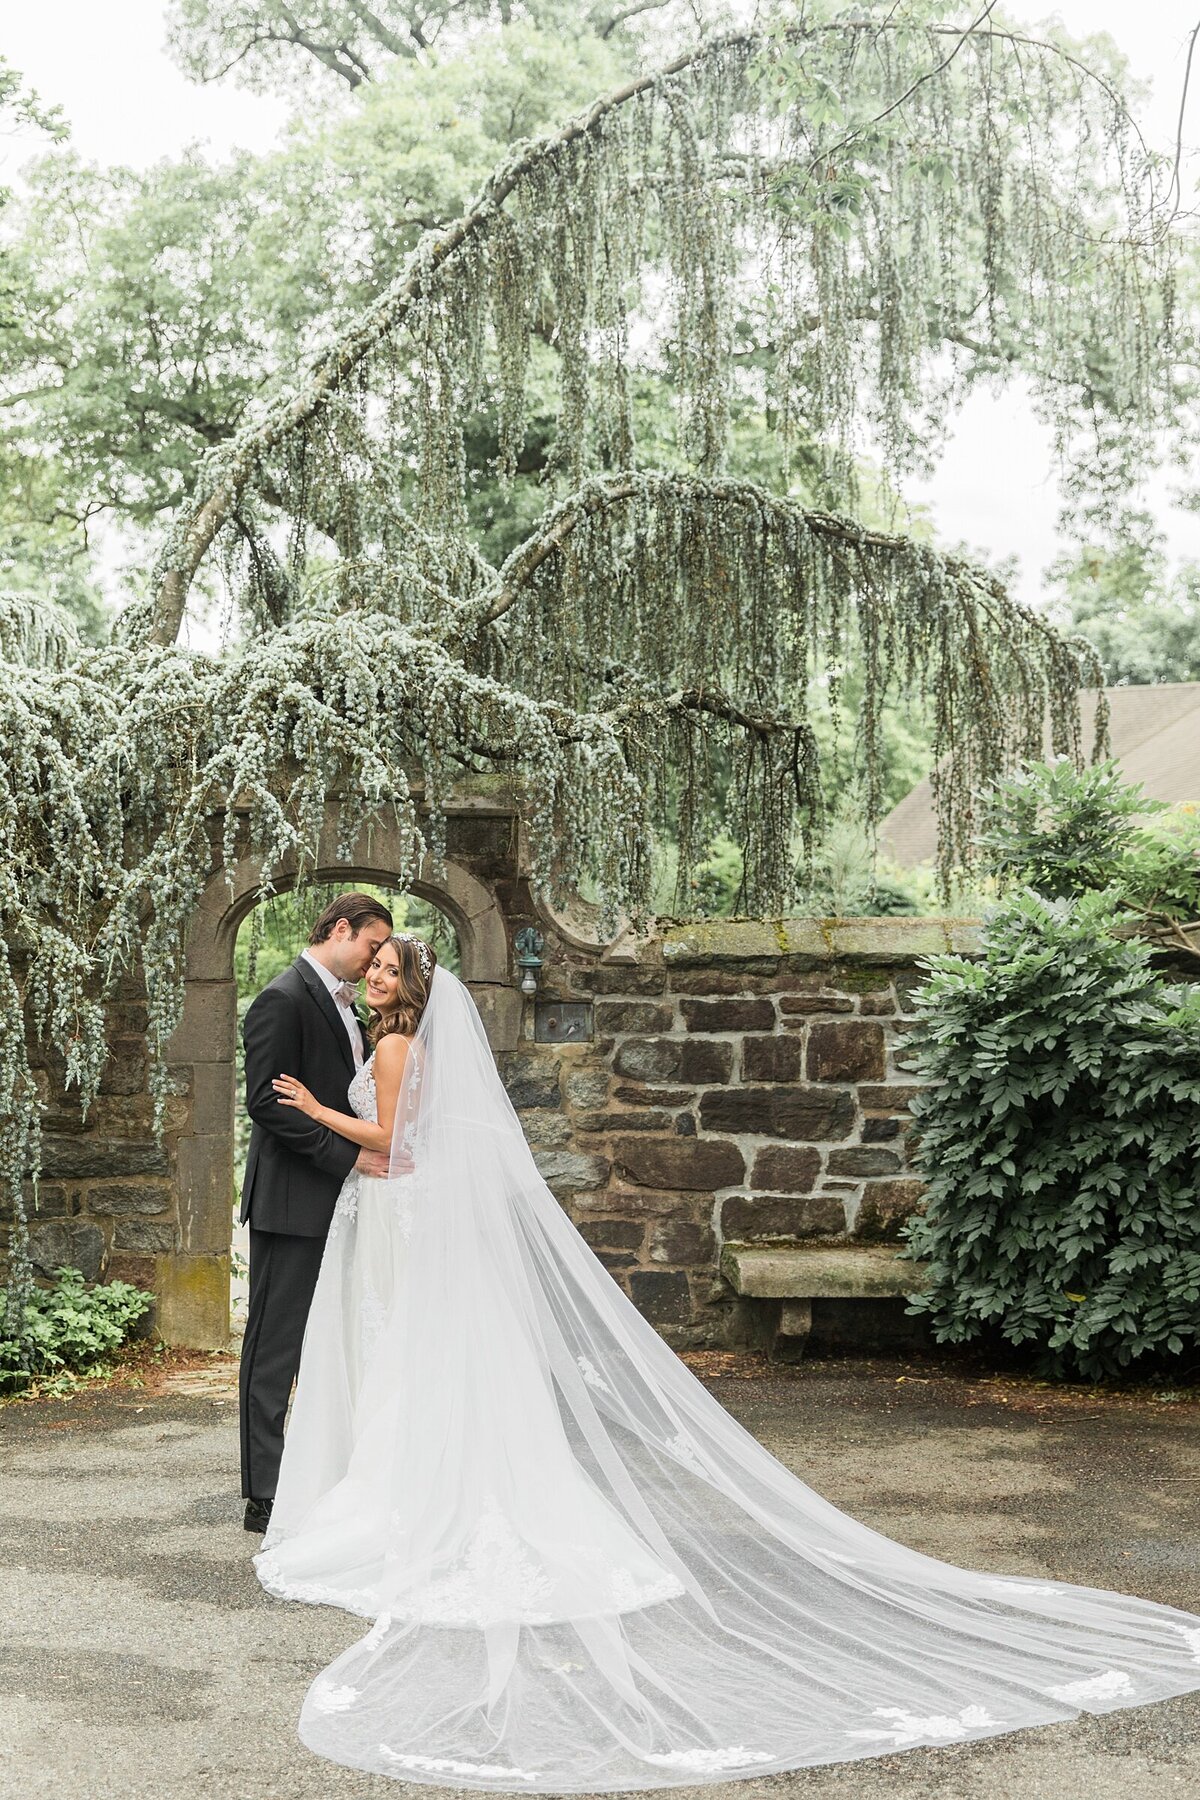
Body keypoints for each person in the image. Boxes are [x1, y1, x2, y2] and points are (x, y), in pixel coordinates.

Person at [256, 947, 1200, 1792]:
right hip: (413, 1218)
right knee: (418, 1367)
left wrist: (315, 1111)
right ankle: (431, 1487)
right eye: (373, 968)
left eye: (387, 972)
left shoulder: (393, 1048)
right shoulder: (420, 1048)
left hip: (398, 1215)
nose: (375, 977)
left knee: (400, 1365)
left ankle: (398, 1499)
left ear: (411, 992)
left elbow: (396, 1142)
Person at [238, 890, 393, 1533]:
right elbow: (267, 1105)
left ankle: (321, 1475)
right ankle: (265, 1493)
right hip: (293, 1201)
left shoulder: (352, 1010)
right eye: (370, 946)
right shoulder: (281, 998)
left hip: (345, 1206)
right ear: (338, 930)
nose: (375, 960)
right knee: (276, 1348)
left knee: (333, 1340)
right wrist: (349, 1159)